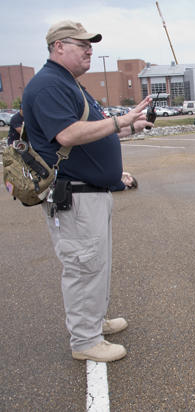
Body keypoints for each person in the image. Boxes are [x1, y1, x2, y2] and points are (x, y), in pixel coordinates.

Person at [22, 21, 154, 362]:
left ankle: (93, 322)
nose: (89, 49)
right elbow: (68, 135)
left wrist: (127, 128)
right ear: (58, 47)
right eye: (82, 44)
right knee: (83, 266)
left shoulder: (68, 83)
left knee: (96, 264)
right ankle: (84, 341)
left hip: (90, 194)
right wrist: (120, 122)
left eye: (90, 44)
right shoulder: (50, 84)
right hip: (74, 195)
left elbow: (92, 133)